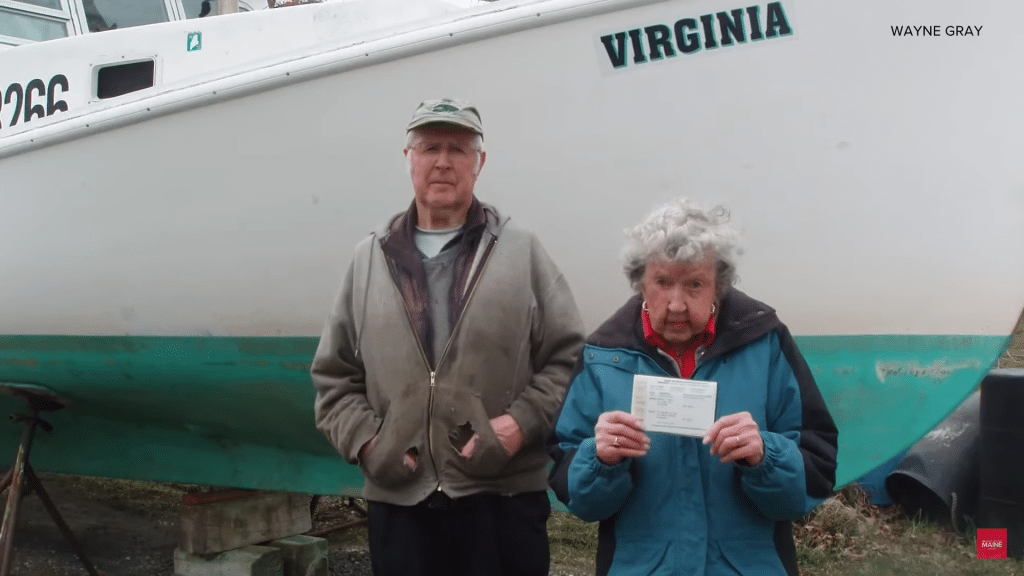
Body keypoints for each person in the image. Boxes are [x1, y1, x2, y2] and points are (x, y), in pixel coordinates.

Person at [311, 98, 585, 576]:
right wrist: (372, 443)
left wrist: (519, 425)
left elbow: (569, 358)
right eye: (429, 147)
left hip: (501, 502)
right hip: (400, 503)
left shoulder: (522, 252)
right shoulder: (368, 259)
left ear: (480, 163)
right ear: (408, 158)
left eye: (458, 149)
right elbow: (334, 378)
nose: (442, 161)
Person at [548, 198, 838, 576]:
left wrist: (765, 455)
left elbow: (816, 475)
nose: (677, 303)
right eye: (663, 282)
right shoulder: (602, 357)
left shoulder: (766, 344)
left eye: (694, 284)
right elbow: (576, 496)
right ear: (641, 283)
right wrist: (600, 460)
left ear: (719, 285)